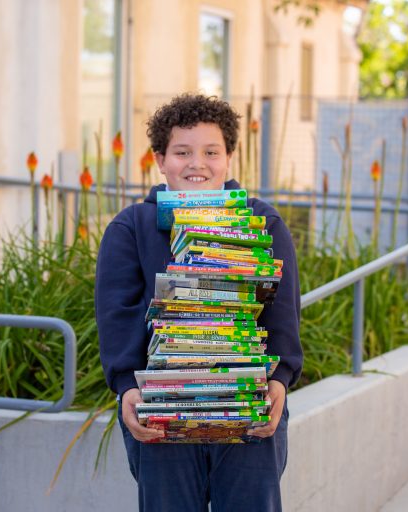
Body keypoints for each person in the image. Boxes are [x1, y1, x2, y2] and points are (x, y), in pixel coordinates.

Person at [95, 93, 303, 512]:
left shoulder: (263, 222)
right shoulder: (130, 227)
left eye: (211, 151)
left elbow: (282, 314)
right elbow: (116, 314)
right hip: (162, 409)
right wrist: (126, 389)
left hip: (248, 405)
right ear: (160, 159)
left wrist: (279, 378)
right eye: (182, 152)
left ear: (229, 157)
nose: (197, 164)